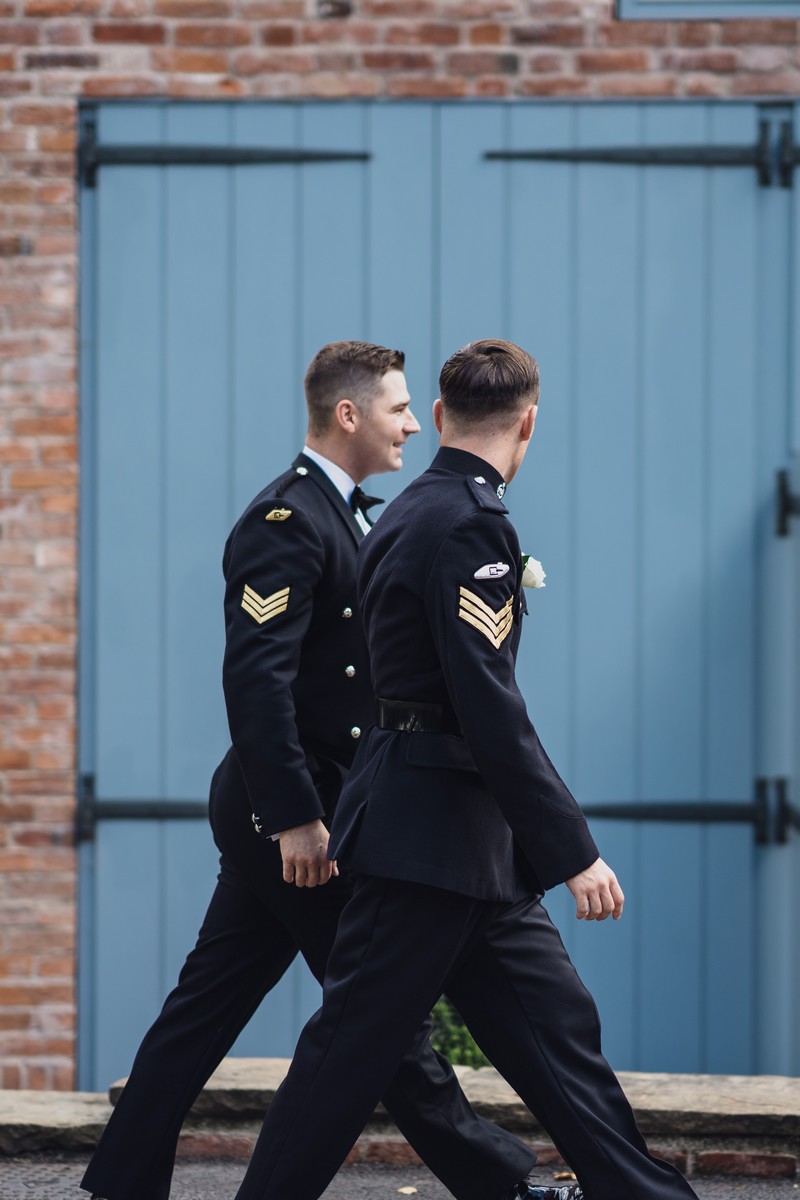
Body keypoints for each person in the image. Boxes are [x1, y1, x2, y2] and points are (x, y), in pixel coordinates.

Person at [231, 340, 701, 1200]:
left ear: (444, 414)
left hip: (466, 843)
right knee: (347, 1056)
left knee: (558, 1030)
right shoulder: (470, 523)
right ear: (530, 423)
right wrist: (573, 851)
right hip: (425, 841)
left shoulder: (410, 508)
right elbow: (488, 707)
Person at [81, 341, 543, 1200]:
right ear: (348, 414)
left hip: (318, 804)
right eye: (399, 408)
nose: (413, 425)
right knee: (378, 1018)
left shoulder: (354, 517)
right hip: (294, 815)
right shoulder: (285, 520)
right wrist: (294, 816)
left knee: (207, 1005)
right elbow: (256, 681)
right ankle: (503, 1184)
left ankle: (120, 1182)